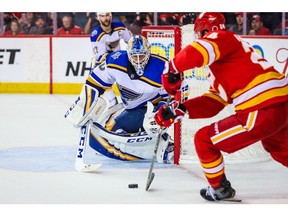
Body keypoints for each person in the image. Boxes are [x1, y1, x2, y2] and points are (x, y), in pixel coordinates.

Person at [146, 12, 288, 201]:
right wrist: (182, 109)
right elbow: (213, 103)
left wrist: (172, 67)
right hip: (282, 106)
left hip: (259, 109)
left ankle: (219, 188)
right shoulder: (229, 59)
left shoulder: (221, 37)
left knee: (204, 140)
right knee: (280, 149)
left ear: (204, 30)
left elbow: (200, 50)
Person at [65, 35, 174, 171]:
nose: (139, 61)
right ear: (128, 54)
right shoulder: (115, 61)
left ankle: (162, 146)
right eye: (135, 56)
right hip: (132, 109)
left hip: (151, 109)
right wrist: (86, 105)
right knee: (98, 140)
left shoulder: (161, 67)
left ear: (148, 53)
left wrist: (159, 115)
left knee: (108, 140)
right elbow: (94, 83)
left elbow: (172, 99)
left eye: (142, 56)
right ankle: (150, 146)